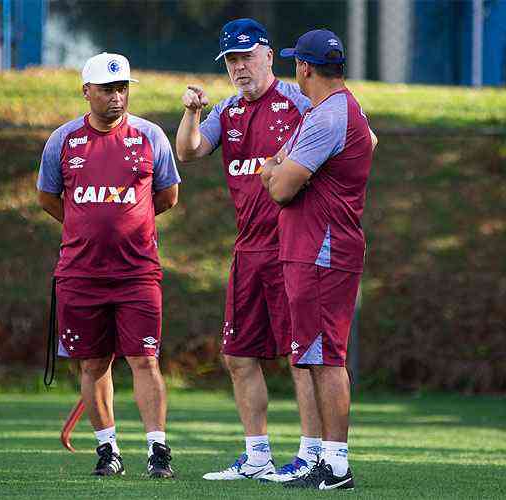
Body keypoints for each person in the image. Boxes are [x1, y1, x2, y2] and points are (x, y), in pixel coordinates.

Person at [176, 18, 323, 482]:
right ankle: (257, 456)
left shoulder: (300, 102)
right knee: (238, 355)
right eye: (231, 61)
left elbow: (354, 137)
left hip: (293, 249)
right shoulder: (229, 110)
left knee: (302, 356)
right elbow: (190, 151)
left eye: (246, 57)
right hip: (248, 252)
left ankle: (312, 454)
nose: (239, 68)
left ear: (268, 54)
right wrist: (192, 112)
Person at [36, 52, 180, 479]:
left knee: (145, 360)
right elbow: (48, 198)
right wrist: (87, 227)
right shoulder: (63, 141)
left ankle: (158, 450)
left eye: (122, 88)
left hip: (137, 273)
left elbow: (168, 196)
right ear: (87, 92)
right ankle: (108, 449)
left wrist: (126, 226)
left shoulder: (150, 135)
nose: (117, 97)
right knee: (93, 363)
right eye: (106, 89)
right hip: (81, 274)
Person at [260, 29, 377, 490]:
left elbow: (280, 187)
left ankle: (337, 465)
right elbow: (370, 142)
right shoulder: (340, 109)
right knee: (315, 355)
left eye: (295, 63)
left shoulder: (327, 116)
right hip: (315, 249)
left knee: (327, 358)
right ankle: (327, 460)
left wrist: (277, 169)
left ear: (304, 67)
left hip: (322, 250)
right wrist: (283, 165)